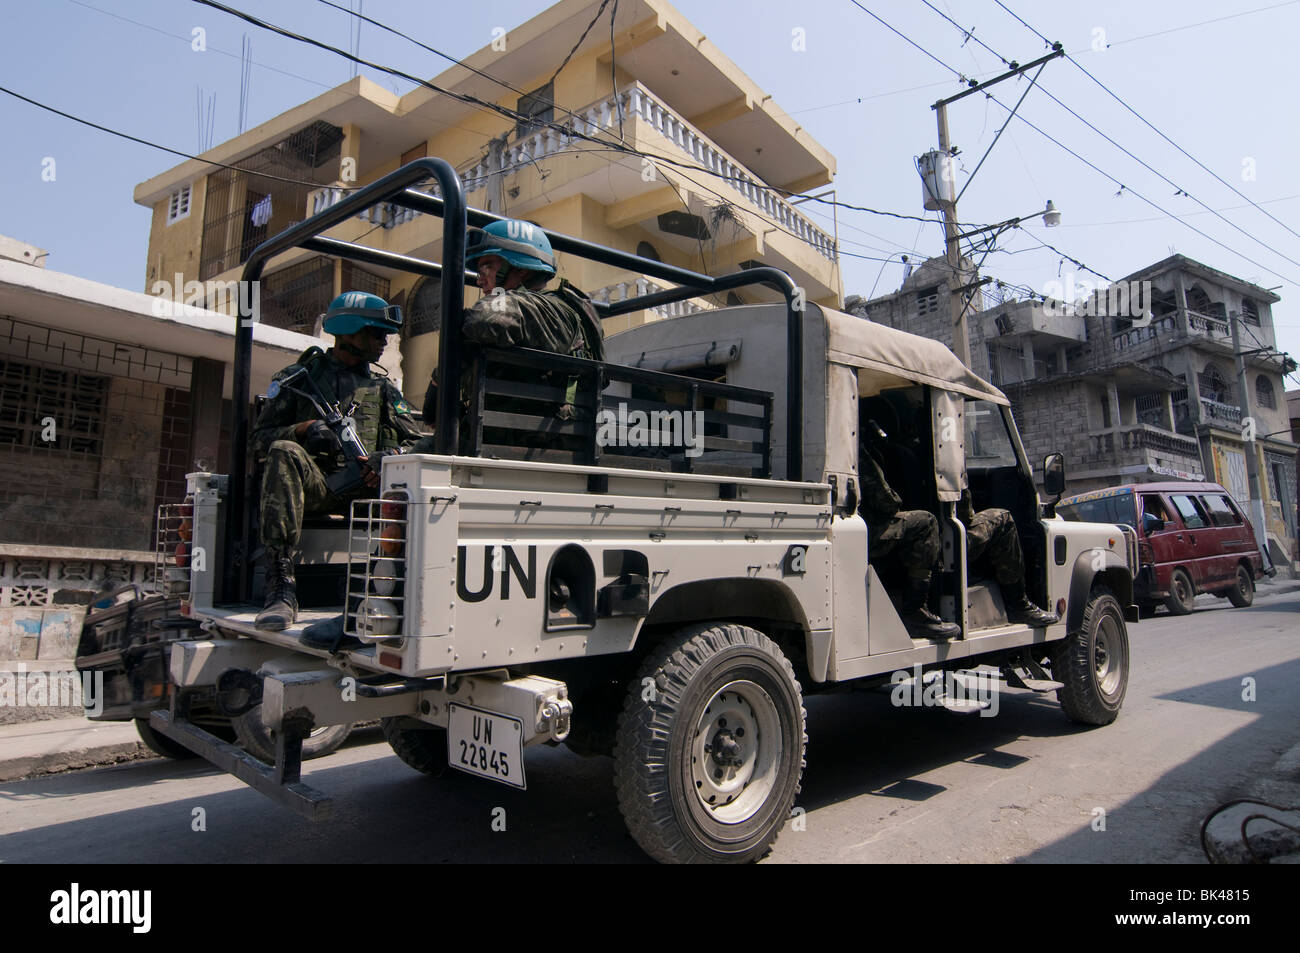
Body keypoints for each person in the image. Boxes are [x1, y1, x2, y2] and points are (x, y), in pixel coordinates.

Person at [252, 291, 423, 633]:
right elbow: (259, 440)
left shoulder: (382, 388)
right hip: (318, 486)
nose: (383, 342)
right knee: (284, 451)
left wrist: (387, 458)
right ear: (349, 331)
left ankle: (397, 588)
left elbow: (418, 443)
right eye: (377, 333)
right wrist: (302, 429)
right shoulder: (298, 380)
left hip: (368, 489)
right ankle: (281, 585)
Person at [416, 218, 604, 443]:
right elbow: (431, 416)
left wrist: (452, 357)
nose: (480, 280)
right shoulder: (526, 313)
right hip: (508, 441)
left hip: (529, 445)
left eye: (487, 266)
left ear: (519, 268)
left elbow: (482, 319)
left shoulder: (547, 309)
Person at [858, 407, 961, 640]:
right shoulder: (860, 453)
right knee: (926, 522)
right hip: (866, 533)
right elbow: (888, 503)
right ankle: (916, 611)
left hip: (853, 530)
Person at [958, 492, 1059, 627]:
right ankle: (1018, 604)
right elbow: (966, 514)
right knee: (1003, 518)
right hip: (946, 542)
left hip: (932, 544)